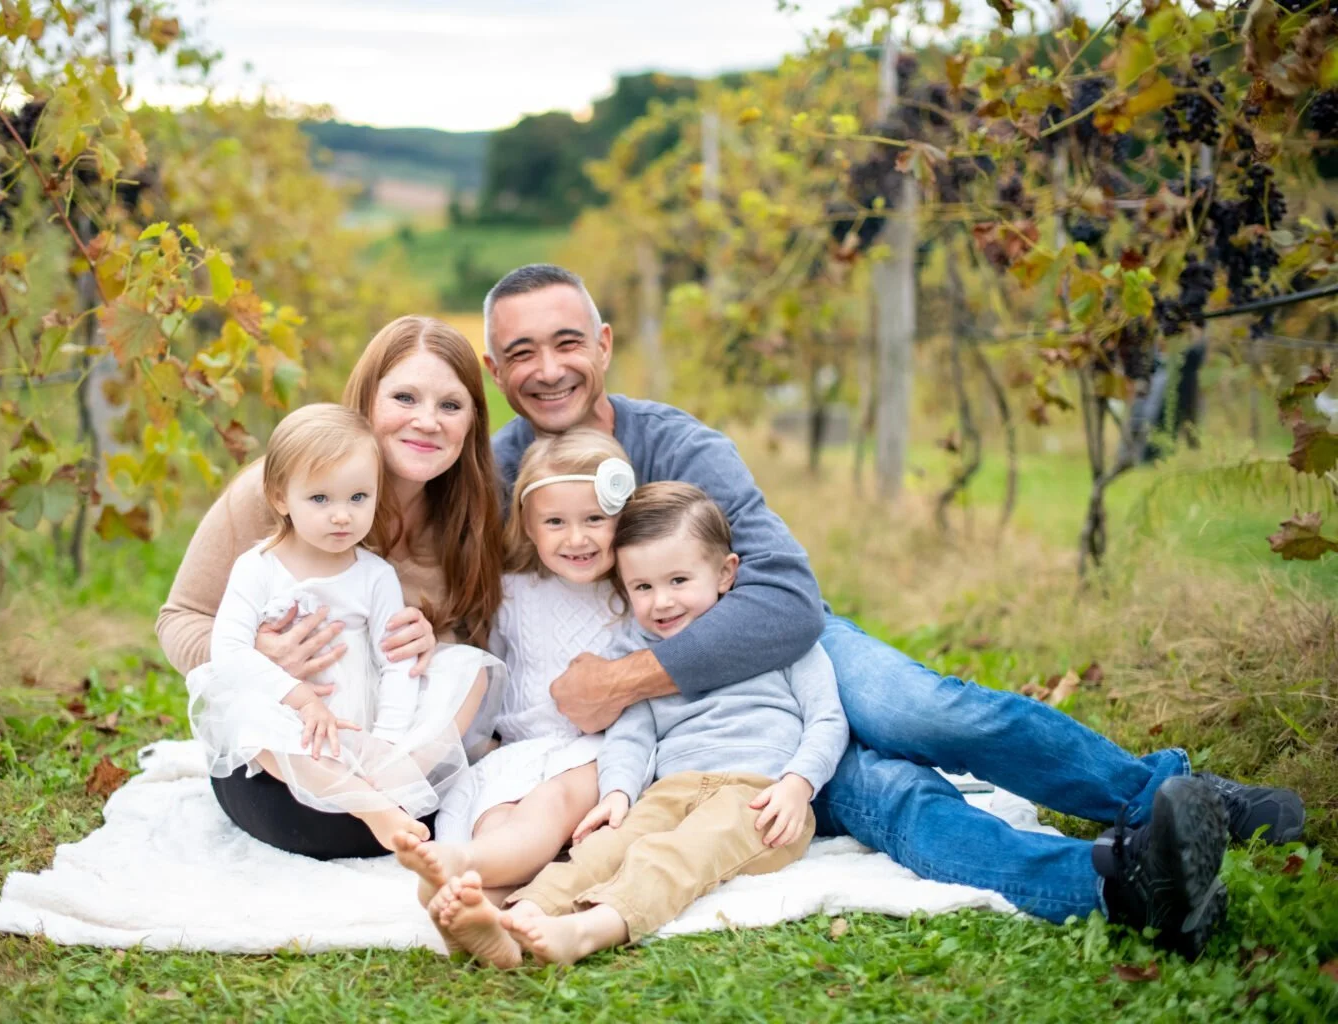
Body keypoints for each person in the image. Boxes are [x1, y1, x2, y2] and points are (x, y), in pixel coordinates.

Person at [481, 263, 1304, 959]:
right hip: (710, 746)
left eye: (566, 341)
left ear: (603, 345)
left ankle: (1170, 796)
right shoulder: (494, 480)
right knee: (892, 798)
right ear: (494, 370)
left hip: (785, 654)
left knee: (922, 708)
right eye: (521, 352)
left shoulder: (681, 447)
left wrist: (627, 679)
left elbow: (788, 597)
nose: (548, 368)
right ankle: (1121, 882)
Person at [432, 481, 848, 968]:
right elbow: (631, 733)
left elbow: (827, 719)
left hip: (758, 796)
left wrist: (798, 784)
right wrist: (618, 793)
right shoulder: (634, 651)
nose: (662, 603)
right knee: (603, 849)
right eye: (643, 588)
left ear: (725, 573)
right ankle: (515, 916)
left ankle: (585, 931)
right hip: (669, 789)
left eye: (678, 581)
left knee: (678, 856)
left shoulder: (776, 639)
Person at [156, 315, 505, 860]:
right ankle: (383, 801)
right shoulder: (282, 490)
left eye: (451, 405)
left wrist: (434, 643)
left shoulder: (468, 515)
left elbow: (464, 634)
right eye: (405, 397)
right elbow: (180, 618)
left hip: (378, 725)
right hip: (287, 748)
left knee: (471, 668)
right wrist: (259, 656)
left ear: (472, 421)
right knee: (314, 809)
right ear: (366, 401)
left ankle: (399, 778)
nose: (427, 421)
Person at [393, 429, 639, 952]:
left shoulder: (633, 592)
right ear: (528, 525)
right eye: (556, 522)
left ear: (624, 517)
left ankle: (461, 865)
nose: (578, 538)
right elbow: (493, 666)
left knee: (548, 808)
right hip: (522, 747)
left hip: (598, 753)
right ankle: (477, 913)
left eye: (595, 519)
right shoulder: (513, 591)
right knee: (497, 812)